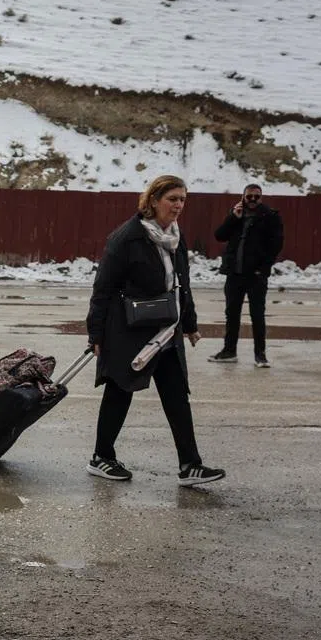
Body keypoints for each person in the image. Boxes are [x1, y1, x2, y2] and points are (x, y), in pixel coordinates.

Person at [85, 175, 226, 487]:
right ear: (152, 201)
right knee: (120, 390)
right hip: (129, 329)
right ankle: (101, 457)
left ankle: (191, 465)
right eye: (172, 199)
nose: (178, 206)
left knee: (177, 396)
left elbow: (181, 285)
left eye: (182, 200)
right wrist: (96, 334)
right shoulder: (127, 237)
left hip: (167, 330)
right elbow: (102, 289)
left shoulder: (175, 236)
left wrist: (189, 324)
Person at [209, 183, 284, 367]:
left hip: (256, 276)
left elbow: (276, 245)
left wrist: (262, 268)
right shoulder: (237, 214)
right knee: (232, 314)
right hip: (235, 274)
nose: (252, 200)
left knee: (257, 315)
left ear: (261, 198)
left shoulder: (270, 217)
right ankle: (229, 351)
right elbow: (220, 235)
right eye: (249, 196)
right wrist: (233, 218)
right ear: (243, 197)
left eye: (256, 196)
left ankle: (260, 355)